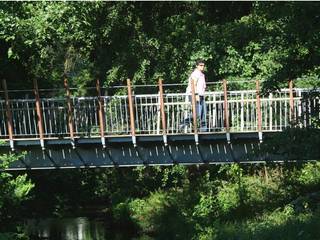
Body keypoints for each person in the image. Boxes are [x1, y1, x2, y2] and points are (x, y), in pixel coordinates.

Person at [180, 59, 207, 131]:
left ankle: (204, 129)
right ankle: (184, 122)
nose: (202, 67)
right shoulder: (195, 74)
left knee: (203, 112)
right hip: (194, 95)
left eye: (203, 65)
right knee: (197, 113)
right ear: (197, 66)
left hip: (201, 95)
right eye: (201, 65)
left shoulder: (202, 74)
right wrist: (196, 95)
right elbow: (193, 85)